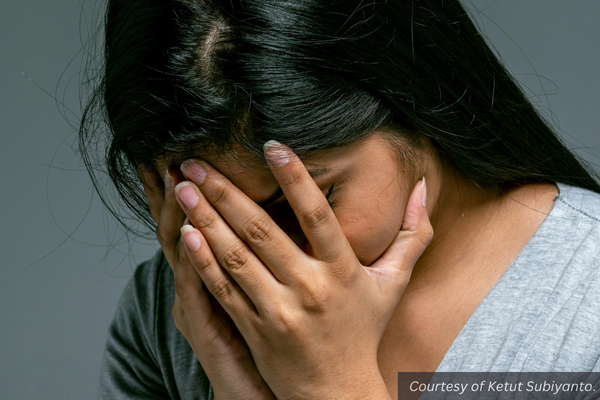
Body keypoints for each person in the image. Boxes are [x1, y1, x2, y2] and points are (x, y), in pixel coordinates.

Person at [80, 0, 600, 399]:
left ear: (415, 101)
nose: (270, 258)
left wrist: (332, 386)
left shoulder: (586, 298)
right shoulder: (172, 312)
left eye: (318, 197)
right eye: (218, 212)